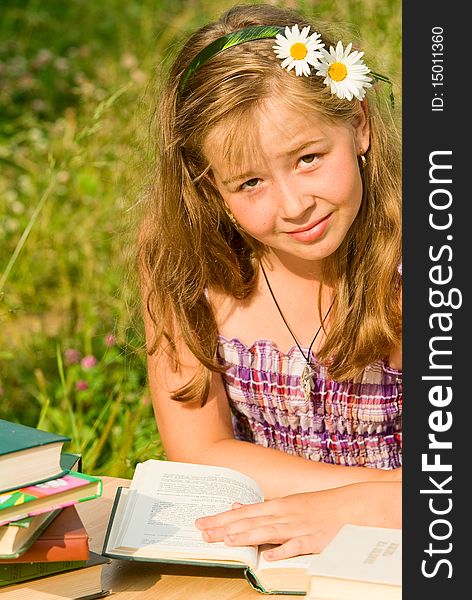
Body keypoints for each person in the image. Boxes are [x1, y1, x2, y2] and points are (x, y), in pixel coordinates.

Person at [138, 2, 402, 560]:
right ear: (208, 186)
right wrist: (382, 496)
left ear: (358, 123)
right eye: (250, 182)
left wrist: (374, 511)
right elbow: (199, 450)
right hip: (278, 561)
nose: (294, 206)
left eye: (308, 158)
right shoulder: (187, 264)